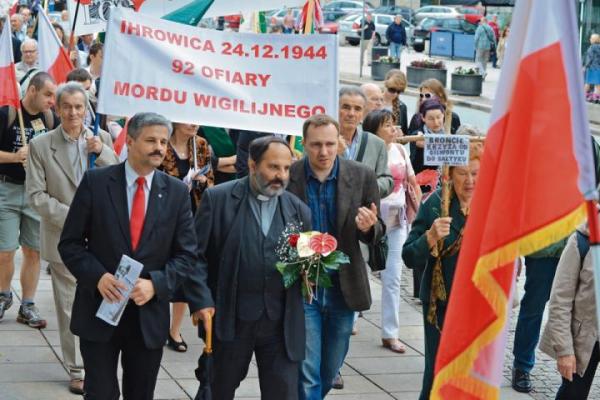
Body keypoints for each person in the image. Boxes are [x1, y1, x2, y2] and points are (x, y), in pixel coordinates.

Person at [57, 112, 202, 400]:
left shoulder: (176, 192)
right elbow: (70, 244)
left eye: (163, 142)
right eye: (151, 140)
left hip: (147, 316)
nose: (159, 148)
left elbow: (187, 255)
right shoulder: (96, 182)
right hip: (99, 311)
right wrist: (98, 277)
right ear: (131, 141)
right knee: (100, 393)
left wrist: (156, 284)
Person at [186, 135, 311, 400]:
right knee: (218, 389)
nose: (281, 175)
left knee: (283, 393)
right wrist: (201, 301)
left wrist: (311, 273)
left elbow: (305, 262)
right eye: (273, 167)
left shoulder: (298, 209)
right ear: (253, 165)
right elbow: (194, 256)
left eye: (286, 168)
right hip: (231, 318)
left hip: (280, 323)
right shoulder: (218, 199)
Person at [26, 81, 119, 395]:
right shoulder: (41, 146)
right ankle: (78, 368)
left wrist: (102, 151)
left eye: (79, 107)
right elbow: (36, 196)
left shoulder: (100, 139)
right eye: (67, 106)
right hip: (63, 238)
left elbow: (119, 176)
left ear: (86, 109)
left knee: (102, 299)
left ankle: (101, 359)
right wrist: (76, 218)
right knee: (68, 305)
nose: (73, 113)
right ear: (57, 107)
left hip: (103, 239)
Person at [287, 114, 385, 399]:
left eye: (330, 144)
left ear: (339, 142)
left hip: (344, 286)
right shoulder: (290, 176)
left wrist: (369, 227)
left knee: (329, 372)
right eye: (316, 144)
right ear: (304, 144)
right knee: (307, 373)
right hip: (304, 287)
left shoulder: (362, 175)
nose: (324, 151)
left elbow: (378, 229)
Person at [402, 146, 482, 400]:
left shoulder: (491, 205)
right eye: (462, 173)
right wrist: (430, 237)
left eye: (475, 173)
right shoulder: (436, 204)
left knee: (470, 376)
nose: (469, 181)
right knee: (438, 373)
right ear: (449, 174)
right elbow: (409, 256)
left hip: (477, 305)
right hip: (440, 304)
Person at [0, 72, 58, 329]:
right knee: (5, 251)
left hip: (37, 193)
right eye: (48, 94)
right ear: (32, 90)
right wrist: (16, 156)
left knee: (33, 251)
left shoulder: (50, 119)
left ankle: (28, 305)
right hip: (7, 190)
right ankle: (3, 296)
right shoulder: (7, 114)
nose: (52, 100)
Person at [363, 109, 421, 354]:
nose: (393, 129)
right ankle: (351, 316)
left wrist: (418, 211)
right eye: (386, 125)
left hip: (397, 220)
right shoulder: (367, 151)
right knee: (361, 269)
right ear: (374, 130)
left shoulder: (399, 150)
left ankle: (390, 333)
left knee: (393, 277)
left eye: (392, 124)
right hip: (369, 220)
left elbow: (412, 182)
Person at [159, 122, 213, 353]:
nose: (194, 124)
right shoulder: (162, 142)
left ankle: (174, 330)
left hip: (192, 215)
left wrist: (204, 181)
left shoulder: (200, 145)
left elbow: (211, 180)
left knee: (184, 269)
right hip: (163, 216)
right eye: (189, 119)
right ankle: (157, 324)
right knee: (160, 268)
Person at [540, 225, 598, 399]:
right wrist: (564, 351)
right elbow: (560, 301)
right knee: (573, 394)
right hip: (584, 337)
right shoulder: (581, 241)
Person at [511, 238, 566, 393]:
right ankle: (522, 365)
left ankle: (574, 368)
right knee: (533, 307)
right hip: (542, 248)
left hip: (577, 246)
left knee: (577, 311)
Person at [338, 86, 393, 198]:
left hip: (363, 207)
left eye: (357, 109)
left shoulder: (377, 144)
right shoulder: (323, 141)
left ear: (363, 113)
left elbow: (387, 181)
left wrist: (368, 189)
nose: (351, 113)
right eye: (346, 107)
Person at [383, 69, 408, 135]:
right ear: (385, 85)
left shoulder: (402, 107)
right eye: (392, 90)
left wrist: (401, 135)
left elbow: (405, 133)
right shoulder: (375, 102)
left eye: (399, 91)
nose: (395, 94)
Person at [584, 33, 600, 103]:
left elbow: (589, 59)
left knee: (587, 83)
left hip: (591, 68)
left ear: (593, 40)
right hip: (598, 68)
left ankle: (584, 96)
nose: (590, 39)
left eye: (591, 38)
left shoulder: (591, 48)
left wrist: (585, 66)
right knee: (597, 84)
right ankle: (596, 98)